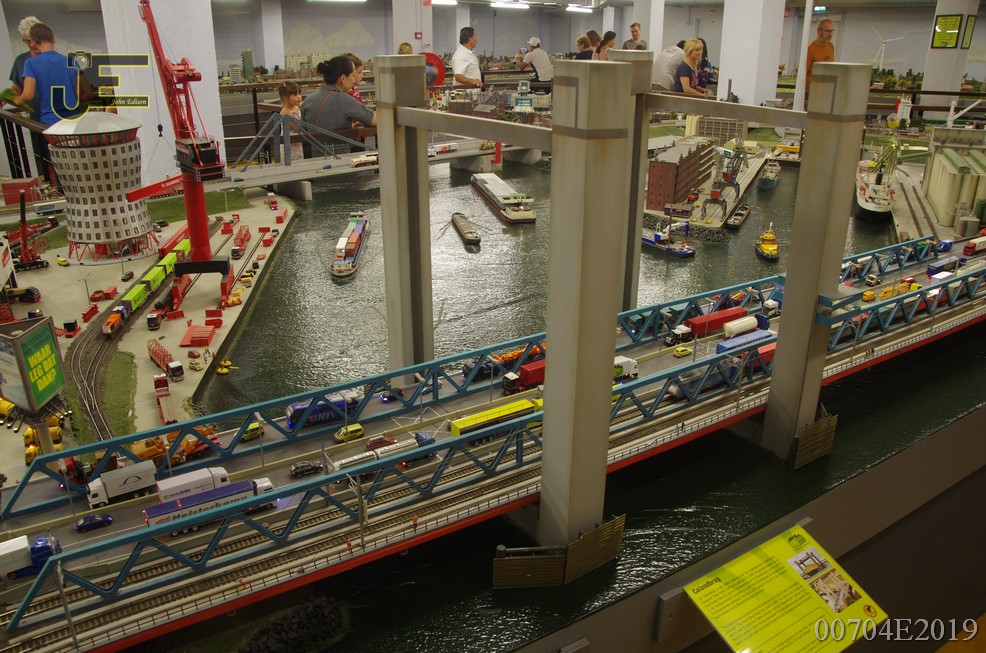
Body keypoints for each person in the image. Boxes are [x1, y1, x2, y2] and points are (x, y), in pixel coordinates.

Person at [11, 22, 92, 126]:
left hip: (50, 121)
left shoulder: (31, 63)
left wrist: (17, 101)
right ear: (53, 39)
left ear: (34, 42)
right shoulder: (72, 61)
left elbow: (28, 95)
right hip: (73, 119)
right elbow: (88, 93)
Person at [300, 56, 375, 154]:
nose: (353, 81)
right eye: (352, 76)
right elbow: (376, 120)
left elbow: (303, 128)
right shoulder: (345, 100)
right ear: (343, 78)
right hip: (339, 157)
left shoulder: (308, 100)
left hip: (314, 157)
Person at [6, 16, 42, 116]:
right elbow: (17, 87)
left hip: (57, 117)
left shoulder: (55, 59)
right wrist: (5, 98)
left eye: (35, 40)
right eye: (28, 41)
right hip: (34, 118)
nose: (32, 45)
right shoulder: (20, 60)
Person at [806, 19, 835, 96]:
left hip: (826, 90)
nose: (830, 34)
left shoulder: (830, 46)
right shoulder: (810, 49)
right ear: (818, 31)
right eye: (827, 31)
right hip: (811, 92)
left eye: (832, 31)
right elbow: (804, 72)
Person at [278, 81, 304, 162]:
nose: (299, 97)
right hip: (289, 144)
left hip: (298, 142)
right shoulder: (286, 112)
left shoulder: (297, 108)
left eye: (299, 94)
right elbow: (298, 127)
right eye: (295, 95)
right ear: (285, 98)